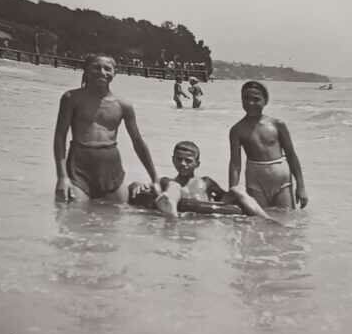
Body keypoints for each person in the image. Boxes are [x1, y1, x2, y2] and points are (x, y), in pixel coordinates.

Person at [54, 54, 159, 202]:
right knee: (72, 217)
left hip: (111, 170)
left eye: (107, 69)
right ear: (86, 70)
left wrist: (155, 178)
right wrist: (62, 177)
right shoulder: (71, 98)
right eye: (96, 68)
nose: (102, 72)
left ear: (115, 73)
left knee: (116, 217)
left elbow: (137, 142)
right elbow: (60, 137)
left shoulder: (123, 105)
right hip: (78, 168)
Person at [128, 141, 274, 220]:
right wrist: (137, 185)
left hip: (203, 215)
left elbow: (224, 198)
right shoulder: (166, 181)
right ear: (173, 160)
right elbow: (148, 188)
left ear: (197, 164)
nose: (183, 164)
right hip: (180, 213)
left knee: (238, 189)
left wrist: (237, 197)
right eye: (179, 159)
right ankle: (171, 211)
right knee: (173, 185)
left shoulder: (206, 182)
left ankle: (265, 219)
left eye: (188, 160)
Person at [228, 81, 308, 209]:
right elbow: (235, 164)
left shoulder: (277, 125)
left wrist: (301, 186)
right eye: (246, 98)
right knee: (260, 221)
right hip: (255, 179)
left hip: (282, 179)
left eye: (256, 99)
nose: (250, 103)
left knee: (287, 219)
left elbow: (291, 155)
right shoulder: (237, 130)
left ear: (265, 101)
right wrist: (233, 191)